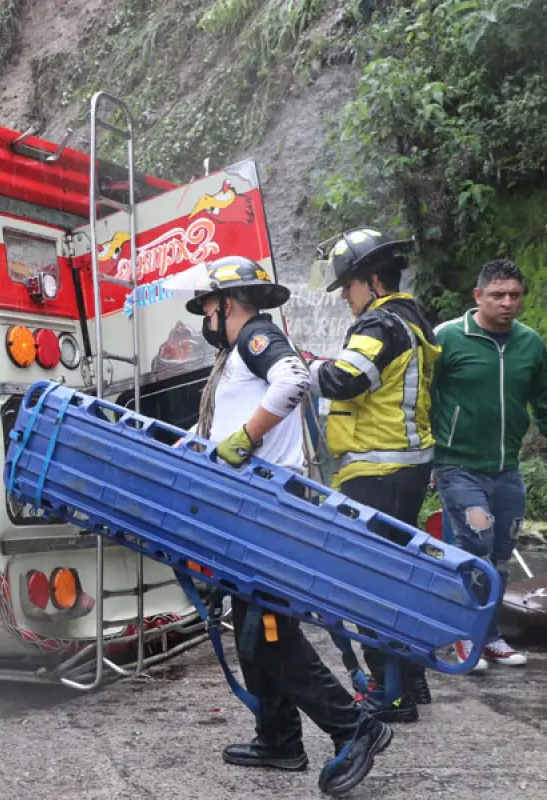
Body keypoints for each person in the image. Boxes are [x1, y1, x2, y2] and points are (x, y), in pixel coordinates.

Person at [184, 256, 391, 797]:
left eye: (208, 307)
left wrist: (248, 438)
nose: (206, 318)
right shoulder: (235, 356)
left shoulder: (255, 337)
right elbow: (216, 425)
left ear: (227, 304)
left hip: (265, 512)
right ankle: (278, 739)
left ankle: (354, 726)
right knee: (254, 636)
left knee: (270, 636)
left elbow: (295, 378)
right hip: (248, 510)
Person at [308, 228, 440, 722]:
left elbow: (344, 379)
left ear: (371, 280)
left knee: (366, 586)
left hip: (375, 469)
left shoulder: (379, 323)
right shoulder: (412, 319)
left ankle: (393, 695)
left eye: (347, 285)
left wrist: (305, 366)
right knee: (396, 579)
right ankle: (412, 681)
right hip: (402, 467)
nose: (345, 295)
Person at [432, 258, 547, 669]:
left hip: (507, 467)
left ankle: (491, 635)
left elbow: (544, 400)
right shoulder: (446, 338)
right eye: (498, 294)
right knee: (474, 546)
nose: (507, 302)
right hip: (457, 463)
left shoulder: (531, 344)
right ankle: (464, 636)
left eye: (515, 295)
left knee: (501, 554)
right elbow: (421, 397)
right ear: (478, 295)